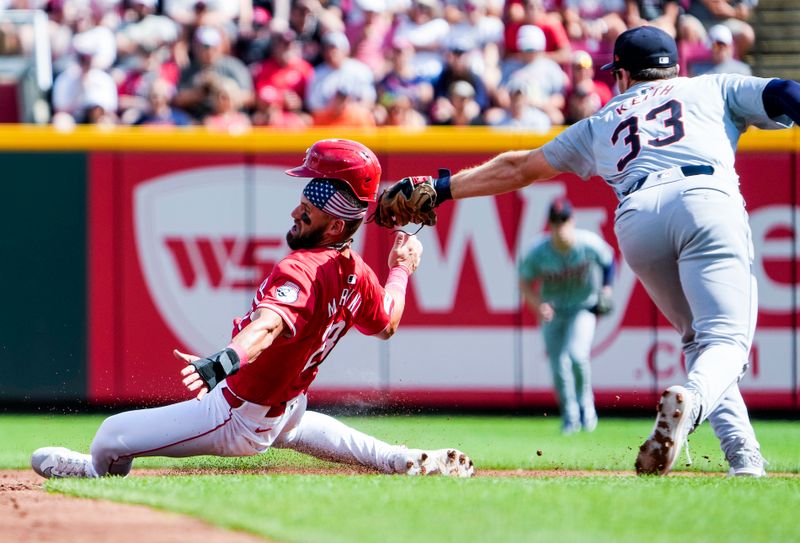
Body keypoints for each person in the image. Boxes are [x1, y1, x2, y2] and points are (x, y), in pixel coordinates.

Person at [373, 25, 800, 477]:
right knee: (727, 340)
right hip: (704, 199)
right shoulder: (712, 85)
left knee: (700, 341)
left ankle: (744, 458)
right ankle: (691, 407)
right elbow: (788, 91)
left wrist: (442, 188)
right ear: (676, 65)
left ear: (622, 75)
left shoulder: (602, 120)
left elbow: (519, 167)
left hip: (638, 219)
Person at [30, 139, 474, 480]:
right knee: (296, 427)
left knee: (110, 436)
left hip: (240, 413)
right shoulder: (355, 270)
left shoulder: (302, 267)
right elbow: (388, 323)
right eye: (305, 196)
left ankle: (96, 472)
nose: (298, 210)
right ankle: (403, 461)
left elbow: (267, 326)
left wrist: (224, 360)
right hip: (285, 405)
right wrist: (400, 270)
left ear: (336, 223)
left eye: (312, 204)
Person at [519, 197, 615, 434]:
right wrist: (538, 305)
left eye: (563, 220)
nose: (560, 225)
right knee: (557, 366)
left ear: (572, 220)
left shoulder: (587, 243)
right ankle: (570, 417)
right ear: (549, 224)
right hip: (553, 311)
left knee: (576, 355)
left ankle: (587, 410)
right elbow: (523, 282)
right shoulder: (539, 250)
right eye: (555, 221)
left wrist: (606, 288)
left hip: (583, 307)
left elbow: (608, 260)